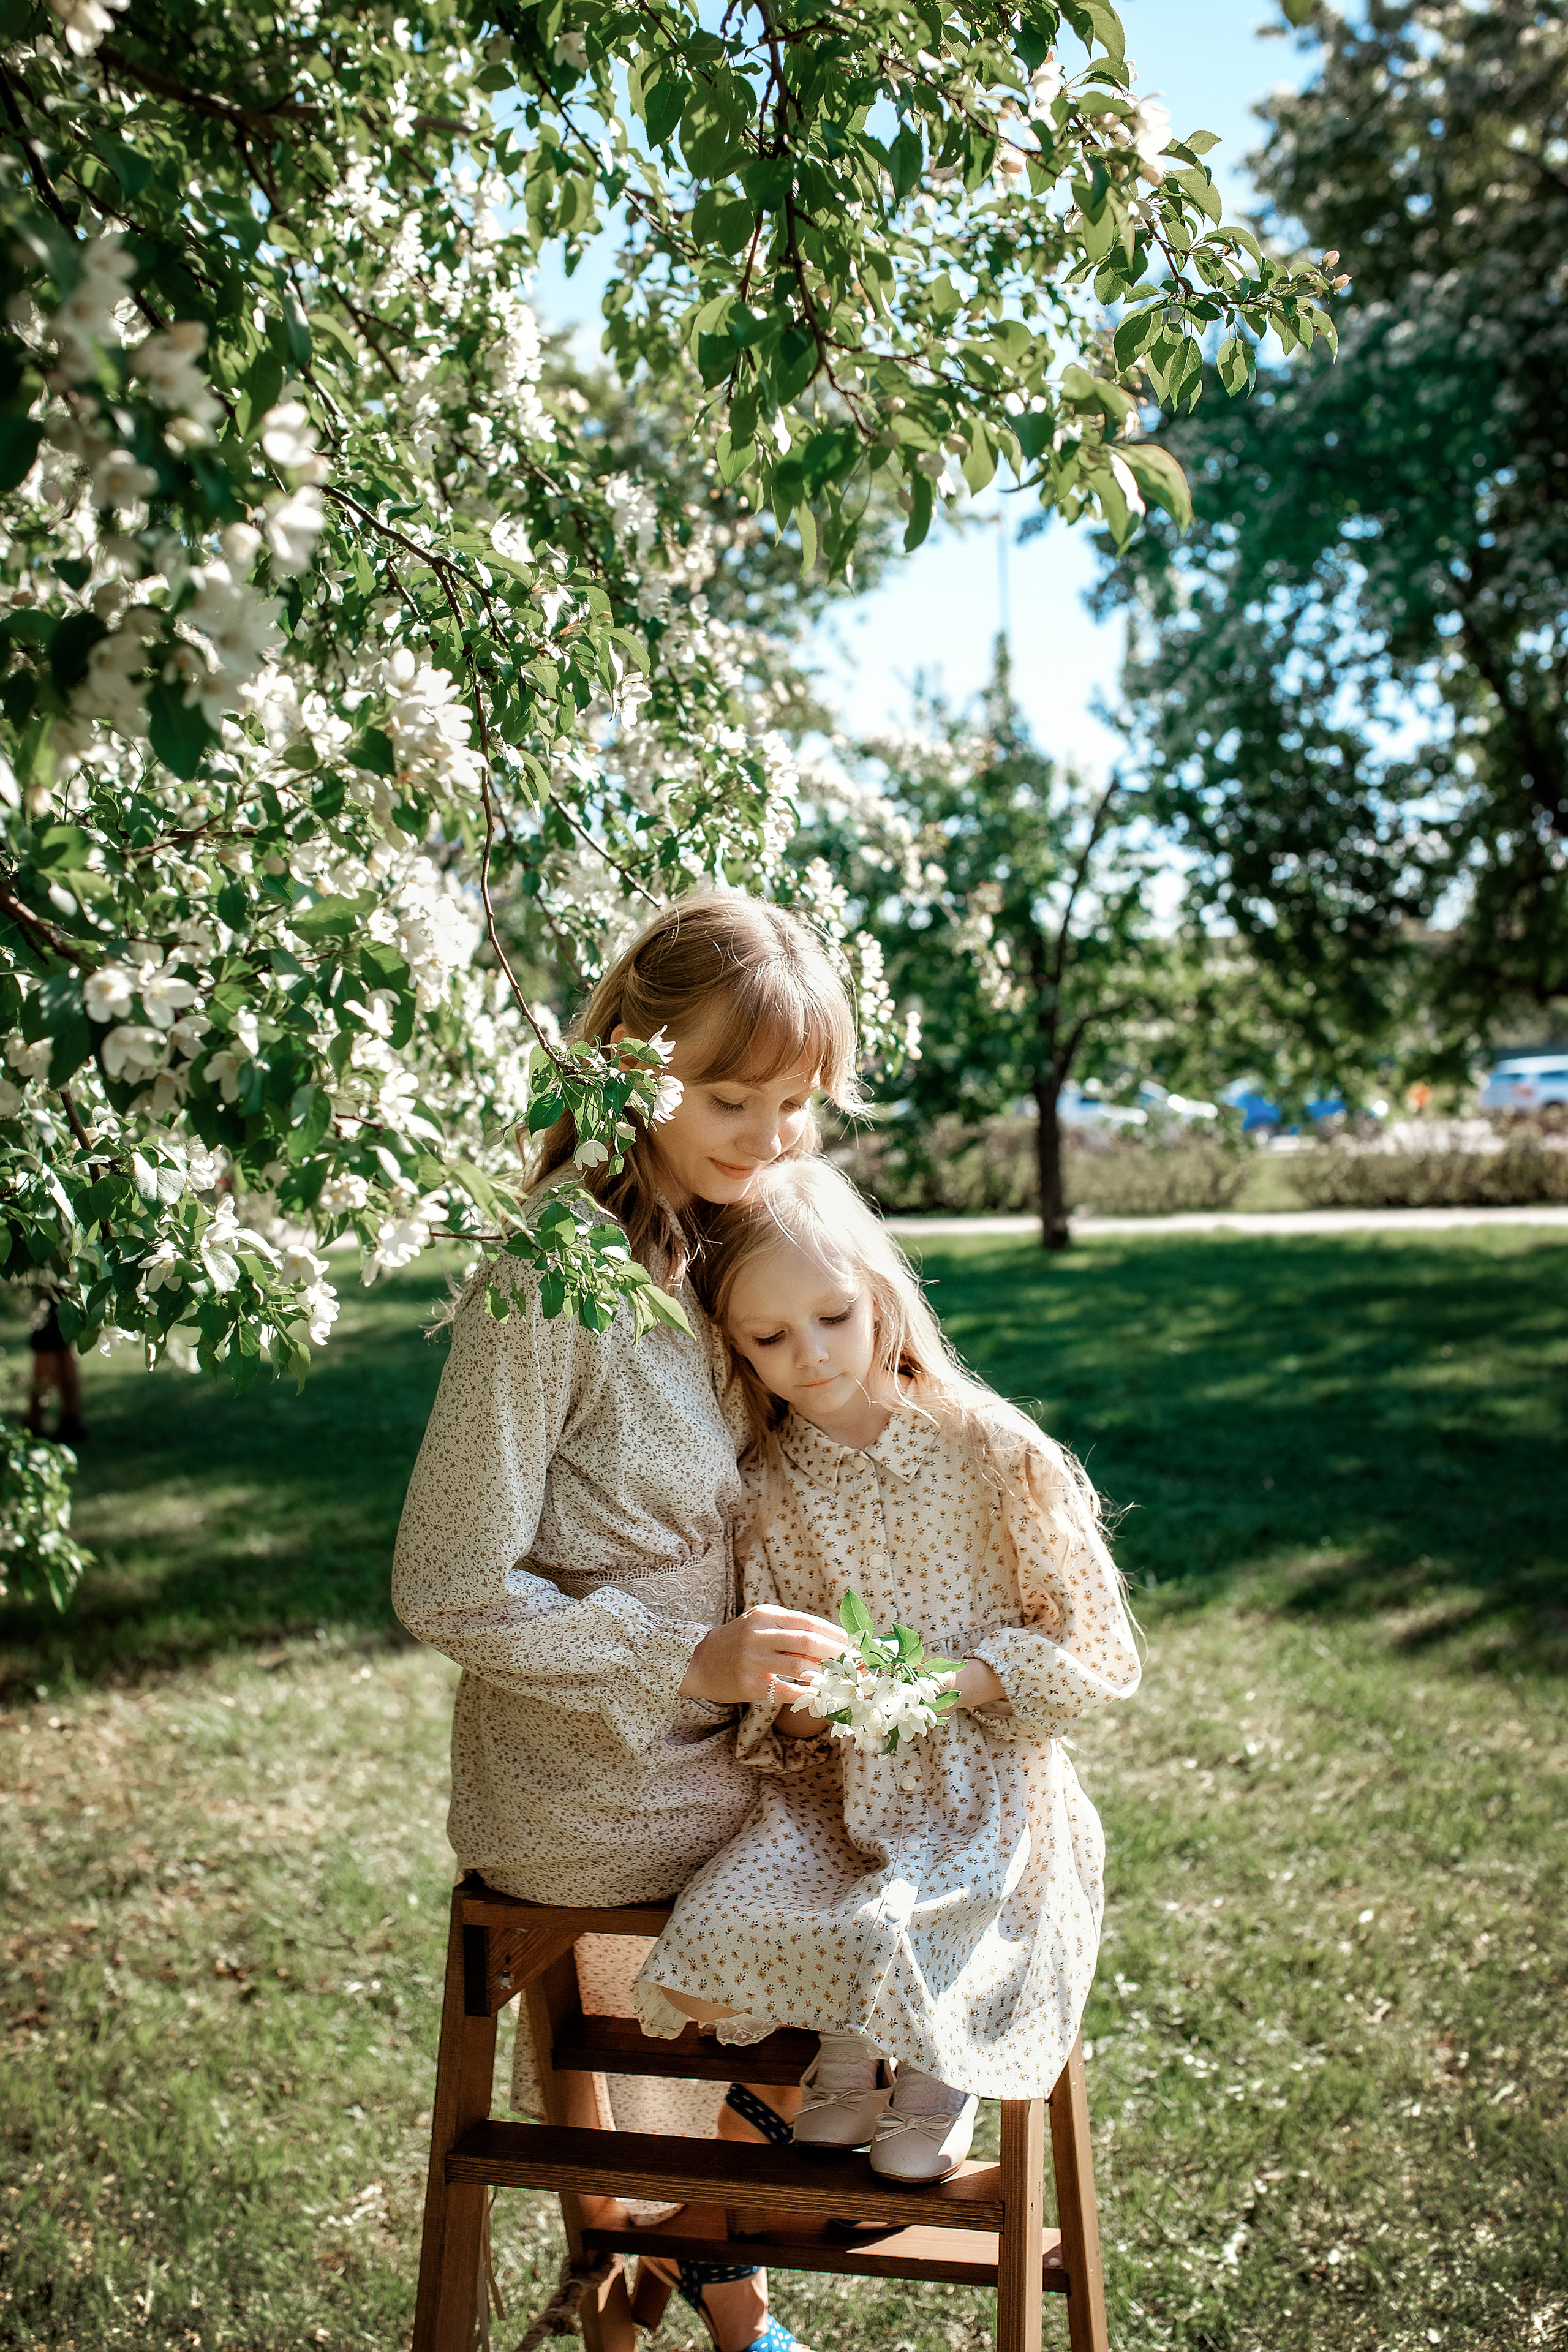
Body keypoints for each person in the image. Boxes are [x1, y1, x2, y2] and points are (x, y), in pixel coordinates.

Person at [393, 890, 859, 2352]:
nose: (770, 1135)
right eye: (732, 1098)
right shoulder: (554, 1275)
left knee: (972, 1808)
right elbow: (446, 1582)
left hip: (723, 1741)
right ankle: (723, 2270)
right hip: (591, 1778)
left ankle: (682, 2255)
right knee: (905, 1868)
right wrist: (688, 1657)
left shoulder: (726, 1236)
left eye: (795, 1102)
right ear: (633, 1064)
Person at [631, 1158, 1142, 2185]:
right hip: (841, 1796)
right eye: (769, 1340)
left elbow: (1096, 1651)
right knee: (743, 1911)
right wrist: (818, 1709)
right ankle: (848, 2046)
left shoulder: (993, 1453)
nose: (809, 1357)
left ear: (881, 1301)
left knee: (909, 1914)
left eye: (831, 1318)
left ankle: (931, 2070)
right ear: (732, 1346)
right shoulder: (769, 1489)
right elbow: (777, 1692)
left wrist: (955, 1684)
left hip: (989, 1793)